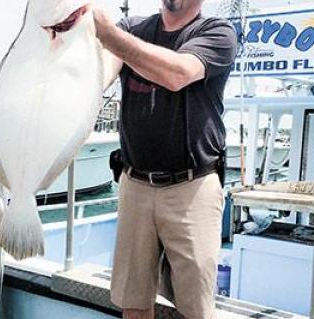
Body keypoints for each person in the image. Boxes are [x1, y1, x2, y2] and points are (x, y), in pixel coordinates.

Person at [93, 0, 237, 318]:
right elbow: (99, 74)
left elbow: (179, 73)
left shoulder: (217, 32)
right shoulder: (132, 29)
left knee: (196, 307)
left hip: (193, 185)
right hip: (135, 182)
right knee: (134, 300)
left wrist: (108, 35)